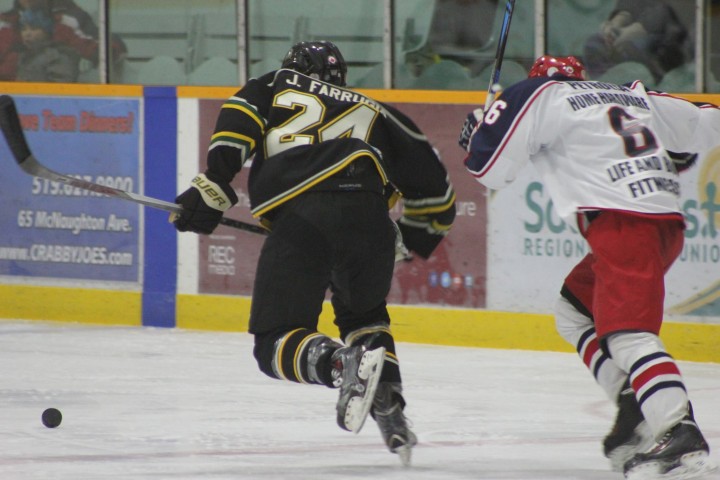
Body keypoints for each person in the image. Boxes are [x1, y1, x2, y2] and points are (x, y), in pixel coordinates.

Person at [172, 41, 456, 466]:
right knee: (365, 318)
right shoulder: (379, 111)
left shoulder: (273, 85)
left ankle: (341, 365)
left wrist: (213, 186)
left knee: (274, 340)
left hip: (304, 217)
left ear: (292, 68)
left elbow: (237, 125)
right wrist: (410, 238)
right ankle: (390, 407)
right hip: (372, 222)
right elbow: (438, 193)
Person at [458, 55, 717, 479]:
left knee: (628, 335)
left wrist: (478, 134)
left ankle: (678, 430)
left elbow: (490, 170)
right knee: (575, 309)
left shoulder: (538, 93)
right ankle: (633, 401)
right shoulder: (631, 95)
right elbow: (701, 126)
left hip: (623, 224)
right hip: (662, 223)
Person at [582, 0, 690, 83]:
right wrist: (618, 21)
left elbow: (673, 10)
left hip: (680, 43)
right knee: (595, 44)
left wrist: (638, 29)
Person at [15, 8, 79, 82]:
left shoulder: (56, 58)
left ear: (46, 32)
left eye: (34, 28)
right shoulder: (24, 57)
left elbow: (59, 90)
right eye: (23, 29)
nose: (27, 34)